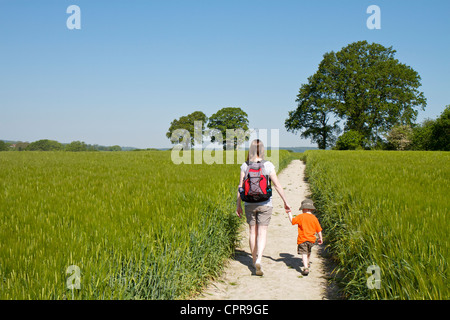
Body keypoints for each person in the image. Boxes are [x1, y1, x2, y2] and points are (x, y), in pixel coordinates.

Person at [236, 139, 291, 276]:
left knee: (252, 233)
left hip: (249, 203)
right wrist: (285, 201)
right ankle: (260, 258)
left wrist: (238, 205)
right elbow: (277, 185)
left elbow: (240, 187)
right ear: (262, 150)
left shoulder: (245, 165)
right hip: (265, 203)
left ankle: (254, 261)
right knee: (262, 232)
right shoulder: (268, 165)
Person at [287, 199, 323, 275]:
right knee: (308, 252)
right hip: (311, 240)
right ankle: (308, 262)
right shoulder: (314, 218)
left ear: (304, 209)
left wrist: (289, 213)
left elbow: (292, 221)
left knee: (304, 253)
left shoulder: (301, 216)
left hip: (302, 239)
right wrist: (320, 238)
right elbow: (318, 229)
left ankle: (305, 268)